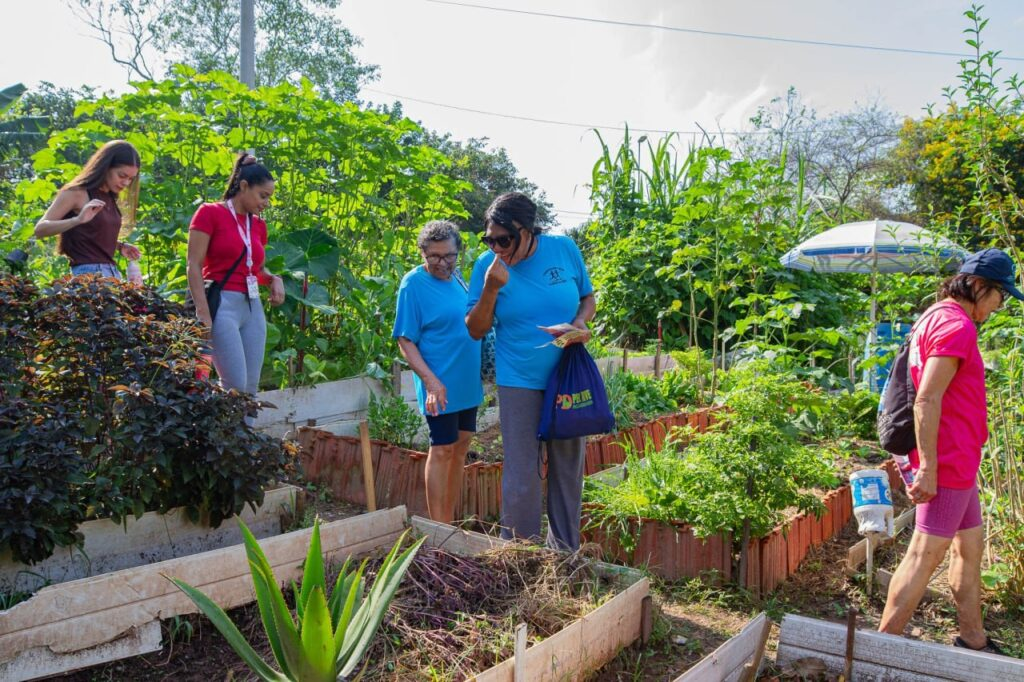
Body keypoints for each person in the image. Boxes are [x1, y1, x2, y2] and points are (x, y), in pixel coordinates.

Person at [879, 248, 1022, 655]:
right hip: (947, 459)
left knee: (969, 548)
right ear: (978, 286)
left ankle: (972, 638)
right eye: (1000, 296)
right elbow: (926, 399)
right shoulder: (956, 327)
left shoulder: (935, 315)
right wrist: (928, 469)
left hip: (957, 457)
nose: (999, 306)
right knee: (924, 555)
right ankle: (879, 647)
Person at [465, 192, 596, 551]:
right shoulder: (486, 267)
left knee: (567, 470)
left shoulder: (564, 249)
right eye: (489, 239)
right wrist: (492, 287)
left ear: (528, 230)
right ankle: (520, 558)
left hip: (566, 376)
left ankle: (564, 558)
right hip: (518, 379)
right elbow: (475, 328)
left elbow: (587, 298)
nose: (496, 247)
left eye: (504, 239)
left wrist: (579, 324)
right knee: (521, 475)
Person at [393, 221, 483, 523]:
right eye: (434, 256)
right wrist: (430, 382)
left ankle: (450, 520)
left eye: (449, 256)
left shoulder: (458, 279)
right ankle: (438, 529)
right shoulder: (413, 284)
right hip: (439, 383)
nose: (442, 263)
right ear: (422, 253)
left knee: (461, 446)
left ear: (459, 253)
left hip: (466, 381)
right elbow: (405, 339)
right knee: (442, 448)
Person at [186, 153, 285, 405]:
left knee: (250, 389)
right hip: (221, 305)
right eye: (263, 195)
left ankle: (245, 443)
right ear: (243, 186)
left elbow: (255, 270)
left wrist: (273, 279)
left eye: (269, 198)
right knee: (234, 387)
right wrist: (203, 313)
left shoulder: (258, 226)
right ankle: (221, 442)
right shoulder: (209, 213)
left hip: (252, 307)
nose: (266, 203)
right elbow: (193, 265)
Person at [34, 140, 143, 277]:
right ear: (105, 167)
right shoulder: (77, 193)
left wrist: (120, 246)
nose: (126, 183)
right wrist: (77, 220)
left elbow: (90, 234)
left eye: (131, 179)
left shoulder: (109, 197)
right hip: (87, 276)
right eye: (122, 176)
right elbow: (40, 230)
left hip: (112, 273)